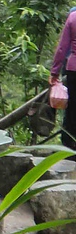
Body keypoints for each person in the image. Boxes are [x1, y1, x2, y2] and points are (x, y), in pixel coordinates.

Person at [50, 8, 76, 150]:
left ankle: (69, 146)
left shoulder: (73, 17)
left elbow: (62, 48)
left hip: (73, 69)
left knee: (72, 109)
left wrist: (54, 72)